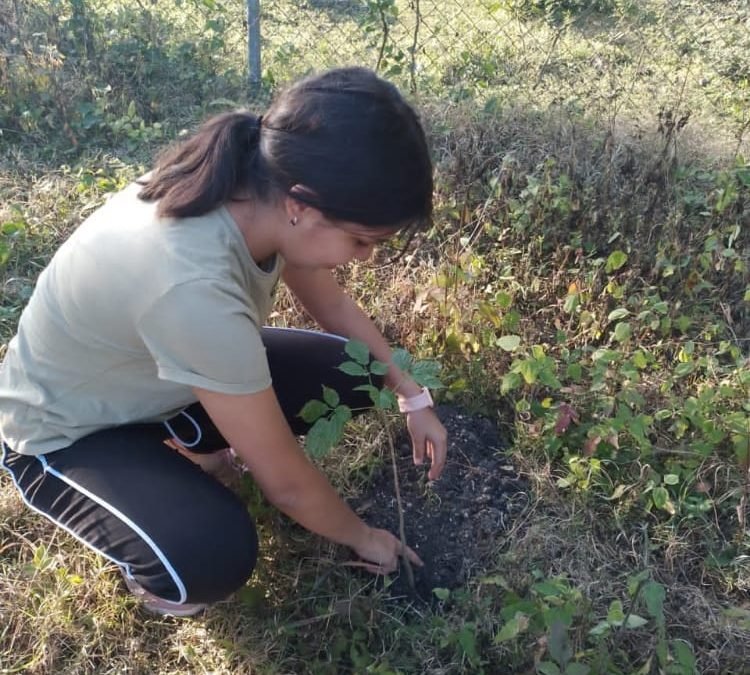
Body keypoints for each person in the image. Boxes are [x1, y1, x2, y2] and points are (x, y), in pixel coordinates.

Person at [0, 67, 448, 616]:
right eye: (361, 240)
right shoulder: (191, 286)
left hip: (155, 379)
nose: (365, 258)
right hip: (65, 430)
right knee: (211, 557)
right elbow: (284, 481)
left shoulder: (257, 188)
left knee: (352, 371)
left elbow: (331, 304)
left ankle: (191, 440)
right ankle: (157, 551)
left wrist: (410, 392)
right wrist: (363, 536)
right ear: (302, 206)